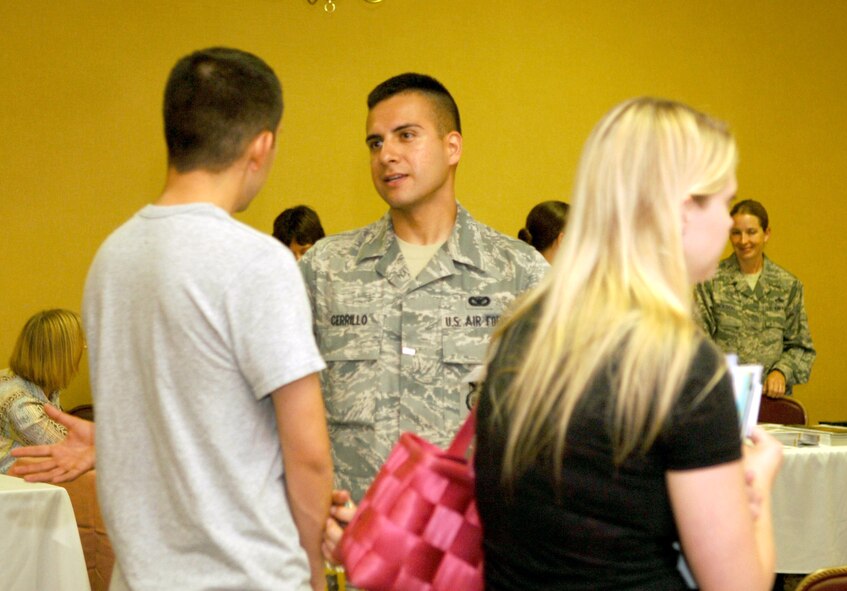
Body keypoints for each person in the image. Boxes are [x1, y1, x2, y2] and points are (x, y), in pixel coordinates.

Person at [474, 98, 782, 590]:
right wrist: (758, 487)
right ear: (682, 211)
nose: (728, 225)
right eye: (724, 204)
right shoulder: (677, 362)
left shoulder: (521, 333)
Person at [81, 47, 332, 591]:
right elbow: (308, 452)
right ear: (262, 146)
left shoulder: (111, 258)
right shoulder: (258, 262)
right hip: (248, 578)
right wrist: (317, 573)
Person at [298, 72, 548, 503]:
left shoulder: (520, 274)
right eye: (375, 143)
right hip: (351, 548)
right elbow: (286, 418)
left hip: (469, 552)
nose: (386, 155)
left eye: (405, 136)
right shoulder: (327, 270)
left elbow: (553, 426)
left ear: (453, 147)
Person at [694, 199, 816, 398]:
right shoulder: (710, 282)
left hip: (771, 403)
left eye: (751, 232)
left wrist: (781, 372)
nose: (743, 241)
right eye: (736, 233)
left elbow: (801, 347)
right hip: (723, 399)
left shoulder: (787, 285)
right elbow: (697, 345)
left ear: (766, 233)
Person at [1, 309, 83, 474]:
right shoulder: (21, 405)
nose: (83, 349)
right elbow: (71, 450)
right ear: (61, 355)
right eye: (80, 344)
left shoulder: (44, 387)